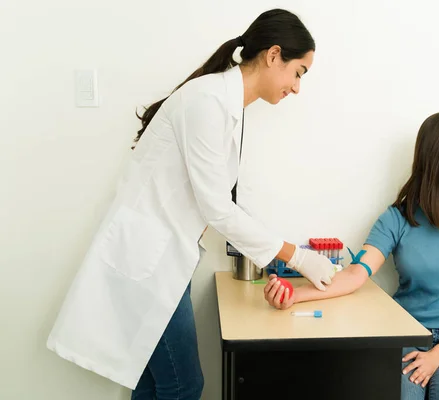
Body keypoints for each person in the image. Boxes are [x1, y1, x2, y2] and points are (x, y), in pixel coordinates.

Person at [47, 9, 337, 400]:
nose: (297, 87)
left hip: (164, 257)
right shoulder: (207, 102)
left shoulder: (226, 105)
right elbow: (217, 207)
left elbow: (219, 199)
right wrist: (297, 257)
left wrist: (285, 253)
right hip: (149, 259)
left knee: (156, 384)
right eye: (299, 72)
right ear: (273, 55)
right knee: (182, 385)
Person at [264, 111, 439, 399]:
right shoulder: (399, 217)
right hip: (407, 332)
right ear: (436, 152)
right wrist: (296, 295)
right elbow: (355, 275)